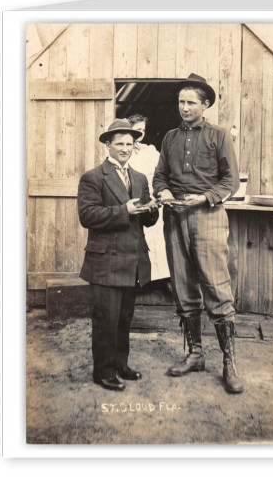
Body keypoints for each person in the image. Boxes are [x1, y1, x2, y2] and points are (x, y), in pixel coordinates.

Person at [153, 73, 244, 394]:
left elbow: (229, 182)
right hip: (175, 219)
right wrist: (162, 192)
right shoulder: (169, 138)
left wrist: (204, 198)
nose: (185, 107)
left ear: (205, 105)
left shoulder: (219, 136)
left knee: (216, 287)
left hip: (207, 218)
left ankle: (229, 362)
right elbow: (159, 176)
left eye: (191, 102)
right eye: (181, 102)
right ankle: (195, 354)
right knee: (182, 286)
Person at [78, 119, 159, 392]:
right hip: (106, 262)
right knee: (106, 319)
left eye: (129, 144)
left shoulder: (139, 177)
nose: (125, 148)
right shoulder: (93, 177)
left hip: (133, 260)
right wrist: (125, 210)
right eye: (119, 143)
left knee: (124, 318)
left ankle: (120, 365)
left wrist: (152, 209)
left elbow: (148, 220)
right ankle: (102, 371)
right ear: (108, 145)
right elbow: (87, 216)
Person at [127, 114, 171, 288]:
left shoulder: (150, 151)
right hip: (134, 197)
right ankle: (139, 281)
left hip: (153, 195)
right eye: (137, 130)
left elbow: (162, 171)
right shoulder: (124, 151)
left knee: (158, 236)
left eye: (143, 130)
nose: (141, 134)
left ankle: (163, 279)